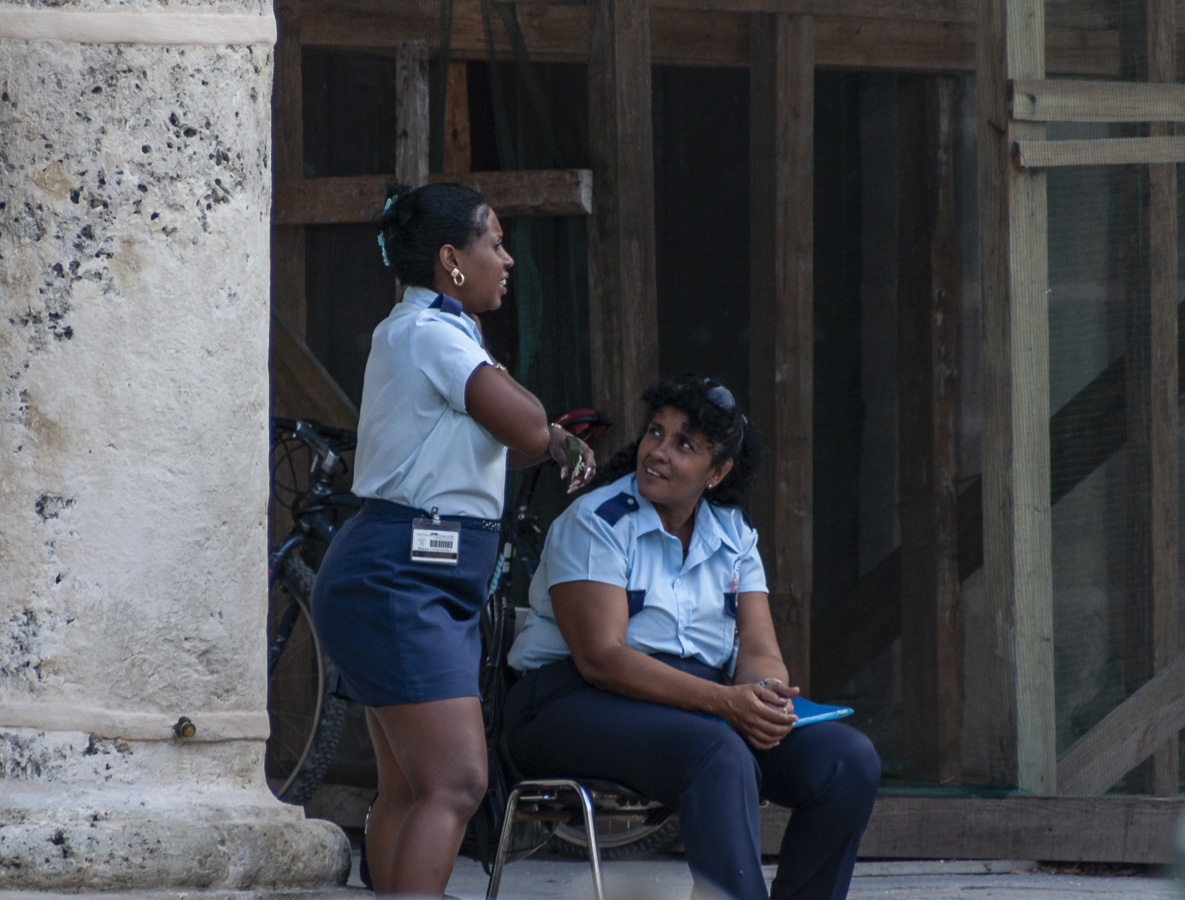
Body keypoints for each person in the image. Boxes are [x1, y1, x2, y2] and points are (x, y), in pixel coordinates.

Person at [309, 181, 597, 897]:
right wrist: (549, 427)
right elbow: (531, 430)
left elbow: (518, 447)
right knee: (458, 782)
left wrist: (542, 433)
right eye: (494, 244)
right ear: (451, 259)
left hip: (404, 572)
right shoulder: (431, 335)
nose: (507, 260)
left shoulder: (436, 333)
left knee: (409, 788)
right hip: (401, 577)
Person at [504, 374, 881, 900]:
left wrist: (763, 693)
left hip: (697, 704)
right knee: (717, 752)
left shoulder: (733, 534)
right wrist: (726, 702)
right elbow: (602, 660)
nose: (658, 452)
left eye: (684, 444)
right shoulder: (597, 522)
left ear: (718, 471)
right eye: (656, 432)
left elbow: (758, 649)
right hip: (567, 704)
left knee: (847, 759)